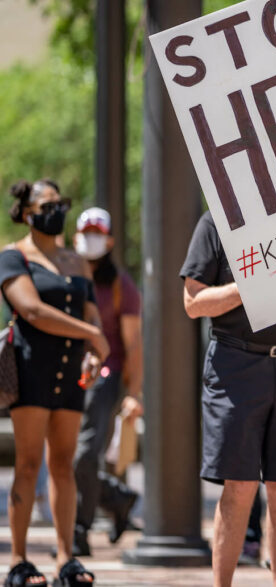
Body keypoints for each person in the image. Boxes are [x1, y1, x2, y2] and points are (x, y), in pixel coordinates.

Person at [181, 210, 276, 587]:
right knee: (240, 486)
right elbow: (193, 302)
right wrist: (251, 284)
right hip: (236, 365)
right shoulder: (216, 223)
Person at [1, 179, 108, 586]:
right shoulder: (13, 257)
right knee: (28, 464)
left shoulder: (75, 261)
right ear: (27, 213)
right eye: (47, 205)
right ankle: (18, 561)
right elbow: (31, 309)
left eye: (60, 203)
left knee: (63, 464)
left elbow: (93, 314)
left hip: (69, 372)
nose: (56, 211)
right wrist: (91, 334)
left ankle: (66, 559)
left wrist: (95, 350)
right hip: (31, 367)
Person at [71, 207, 143, 556]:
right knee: (65, 457)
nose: (90, 238)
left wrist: (134, 393)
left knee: (84, 454)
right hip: (63, 376)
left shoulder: (121, 286)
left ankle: (78, 531)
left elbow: (133, 345)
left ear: (110, 240)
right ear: (74, 238)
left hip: (104, 377)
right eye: (85, 232)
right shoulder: (65, 274)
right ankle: (118, 498)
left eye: (97, 232)